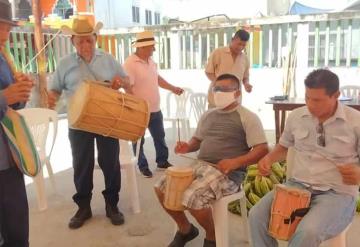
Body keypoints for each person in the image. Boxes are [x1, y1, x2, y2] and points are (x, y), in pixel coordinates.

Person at [154, 73, 268, 247]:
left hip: (228, 174)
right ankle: (186, 230)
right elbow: (196, 141)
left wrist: (235, 162)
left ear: (237, 93)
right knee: (161, 187)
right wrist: (187, 146)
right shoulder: (208, 115)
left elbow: (262, 149)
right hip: (200, 166)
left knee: (192, 197)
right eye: (216, 89)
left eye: (224, 89)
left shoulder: (248, 117)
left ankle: (213, 236)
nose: (218, 93)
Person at [249, 69, 360, 247]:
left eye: (317, 100)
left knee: (307, 231)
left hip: (337, 194)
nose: (310, 104)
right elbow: (283, 147)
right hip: (297, 186)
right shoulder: (296, 116)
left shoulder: (355, 122)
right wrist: (269, 159)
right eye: (307, 98)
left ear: (336, 95)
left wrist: (357, 173)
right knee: (256, 216)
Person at [48, 17, 130, 229]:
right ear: (73, 41)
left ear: (95, 38)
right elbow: (55, 89)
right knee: (81, 165)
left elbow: (126, 81)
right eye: (80, 41)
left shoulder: (108, 59)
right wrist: (51, 100)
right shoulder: (65, 63)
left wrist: (119, 84)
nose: (85, 45)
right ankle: (83, 207)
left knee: (110, 163)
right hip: (78, 124)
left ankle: (112, 205)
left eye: (88, 41)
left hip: (106, 121)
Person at [123, 30, 184, 178]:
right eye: (152, 46)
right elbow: (127, 87)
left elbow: (157, 78)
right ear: (142, 47)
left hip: (155, 108)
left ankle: (162, 161)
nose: (154, 49)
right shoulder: (130, 63)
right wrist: (134, 107)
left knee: (159, 136)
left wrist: (172, 88)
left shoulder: (151, 62)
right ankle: (142, 166)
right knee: (139, 140)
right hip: (140, 110)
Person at [0, 0, 34, 245]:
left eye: (8, 28)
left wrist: (21, 93)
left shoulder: (2, 58)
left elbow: (14, 104)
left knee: (18, 230)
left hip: (10, 157)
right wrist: (4, 97)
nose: (6, 34)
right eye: (1, 27)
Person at [205, 29, 252, 108]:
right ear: (232, 40)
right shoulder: (218, 52)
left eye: (243, 45)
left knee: (234, 120)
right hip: (217, 98)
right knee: (216, 120)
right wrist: (219, 85)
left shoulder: (245, 58)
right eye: (239, 44)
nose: (241, 47)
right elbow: (208, 72)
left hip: (235, 101)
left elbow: (245, 77)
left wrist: (246, 84)